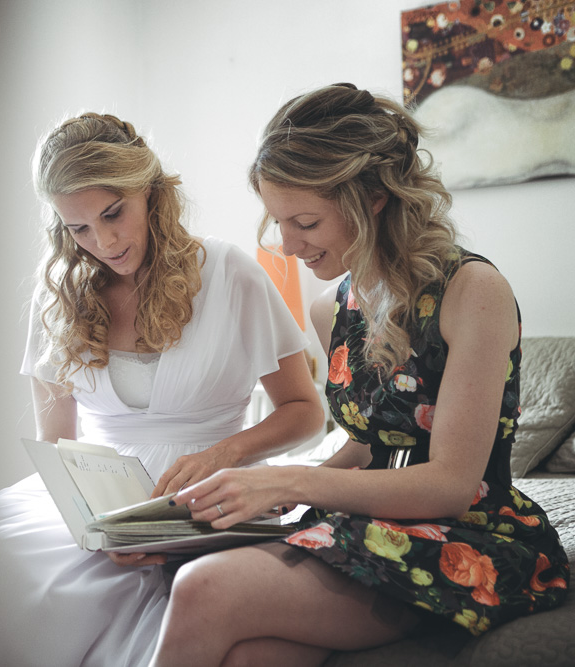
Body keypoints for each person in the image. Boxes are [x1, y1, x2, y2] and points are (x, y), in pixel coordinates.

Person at [148, 83, 570, 667]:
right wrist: (287, 492)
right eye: (277, 222)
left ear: (373, 197)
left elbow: (450, 484)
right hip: (376, 518)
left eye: (305, 222)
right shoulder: (332, 308)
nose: (288, 245)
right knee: (249, 654)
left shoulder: (472, 292)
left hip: (469, 537)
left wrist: (289, 483)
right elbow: (373, 444)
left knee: (204, 585)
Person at [0, 112, 324, 666]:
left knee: (177, 597)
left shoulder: (228, 272)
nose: (104, 241)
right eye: (79, 229)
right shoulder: (59, 298)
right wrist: (98, 525)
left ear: (148, 190)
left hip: (213, 488)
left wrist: (225, 452)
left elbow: (304, 411)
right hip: (104, 502)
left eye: (113, 213)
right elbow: (57, 447)